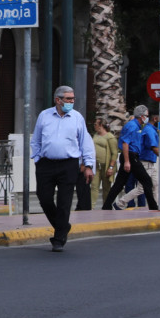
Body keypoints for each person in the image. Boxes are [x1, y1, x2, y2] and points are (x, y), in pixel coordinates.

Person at [29, 86, 95, 252]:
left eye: (73, 99)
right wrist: (37, 158)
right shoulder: (44, 116)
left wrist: (88, 165)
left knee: (64, 202)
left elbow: (85, 143)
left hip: (69, 164)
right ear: (58, 100)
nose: (71, 102)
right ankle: (63, 226)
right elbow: (35, 140)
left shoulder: (77, 118)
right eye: (68, 99)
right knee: (44, 198)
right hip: (46, 164)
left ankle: (59, 238)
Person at [102, 105, 159, 211]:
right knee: (146, 180)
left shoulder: (136, 126)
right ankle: (153, 207)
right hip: (131, 156)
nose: (147, 118)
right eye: (146, 116)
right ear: (141, 116)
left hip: (131, 156)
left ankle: (106, 206)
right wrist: (127, 161)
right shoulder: (132, 126)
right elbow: (125, 143)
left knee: (119, 183)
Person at [91, 117, 116, 208]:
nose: (94, 126)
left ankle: (106, 206)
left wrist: (111, 167)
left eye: (96, 124)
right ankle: (91, 207)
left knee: (106, 188)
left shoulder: (110, 137)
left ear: (101, 125)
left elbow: (114, 153)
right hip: (96, 166)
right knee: (94, 186)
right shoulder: (96, 135)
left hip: (106, 166)